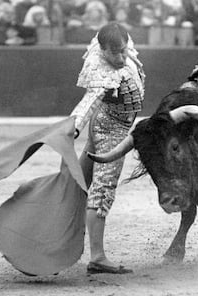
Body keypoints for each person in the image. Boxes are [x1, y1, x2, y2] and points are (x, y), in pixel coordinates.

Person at [70, 22, 145, 274]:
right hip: (111, 129)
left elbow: (111, 38)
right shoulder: (102, 71)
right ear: (103, 51)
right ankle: (98, 257)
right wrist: (75, 127)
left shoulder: (119, 44)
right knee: (102, 191)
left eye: (124, 50)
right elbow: (89, 101)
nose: (122, 57)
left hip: (108, 122)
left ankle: (58, 229)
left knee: (78, 182)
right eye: (115, 53)